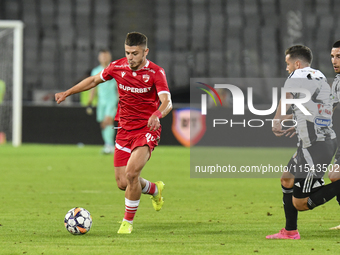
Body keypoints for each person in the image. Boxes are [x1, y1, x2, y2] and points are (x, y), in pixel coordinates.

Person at [55, 32, 172, 234]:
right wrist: (67, 92)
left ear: (146, 51)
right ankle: (154, 189)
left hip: (147, 129)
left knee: (132, 173)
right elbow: (93, 81)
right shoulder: (117, 67)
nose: (130, 57)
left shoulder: (156, 72)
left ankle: (127, 223)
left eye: (135, 53)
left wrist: (157, 114)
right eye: (127, 53)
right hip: (124, 130)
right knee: (123, 183)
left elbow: (167, 101)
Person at [266, 45, 340, 240]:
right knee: (286, 179)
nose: (287, 68)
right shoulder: (320, 76)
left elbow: (287, 99)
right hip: (317, 141)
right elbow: (322, 108)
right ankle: (290, 231)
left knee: (301, 202)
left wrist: (277, 121)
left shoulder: (295, 77)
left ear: (297, 63)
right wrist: (298, 123)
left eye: (288, 64)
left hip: (315, 147)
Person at [88, 50, 118, 154]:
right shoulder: (95, 71)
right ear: (99, 58)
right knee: (103, 123)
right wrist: (90, 102)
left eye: (106, 56)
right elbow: (93, 88)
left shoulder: (114, 70)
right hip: (101, 102)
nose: (104, 58)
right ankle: (107, 144)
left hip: (111, 100)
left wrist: (121, 100)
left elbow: (118, 87)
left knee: (108, 121)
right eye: (102, 56)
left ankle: (110, 145)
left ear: (109, 57)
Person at [327, 40, 340, 230]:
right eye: (332, 56)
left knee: (335, 175)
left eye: (338, 57)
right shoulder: (337, 81)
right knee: (334, 176)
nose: (334, 61)